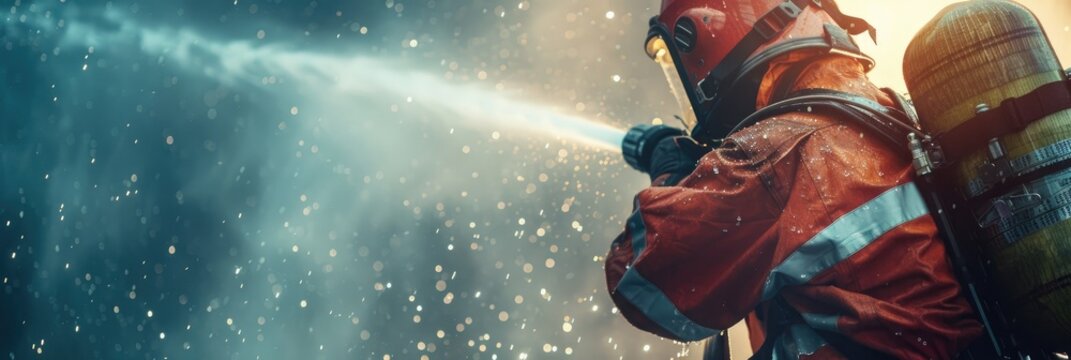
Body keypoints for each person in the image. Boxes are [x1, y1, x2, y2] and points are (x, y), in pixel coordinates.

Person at [604, 0, 982, 358]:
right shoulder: (887, 109)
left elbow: (641, 281)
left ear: (709, 35)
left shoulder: (773, 154)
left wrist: (670, 169)